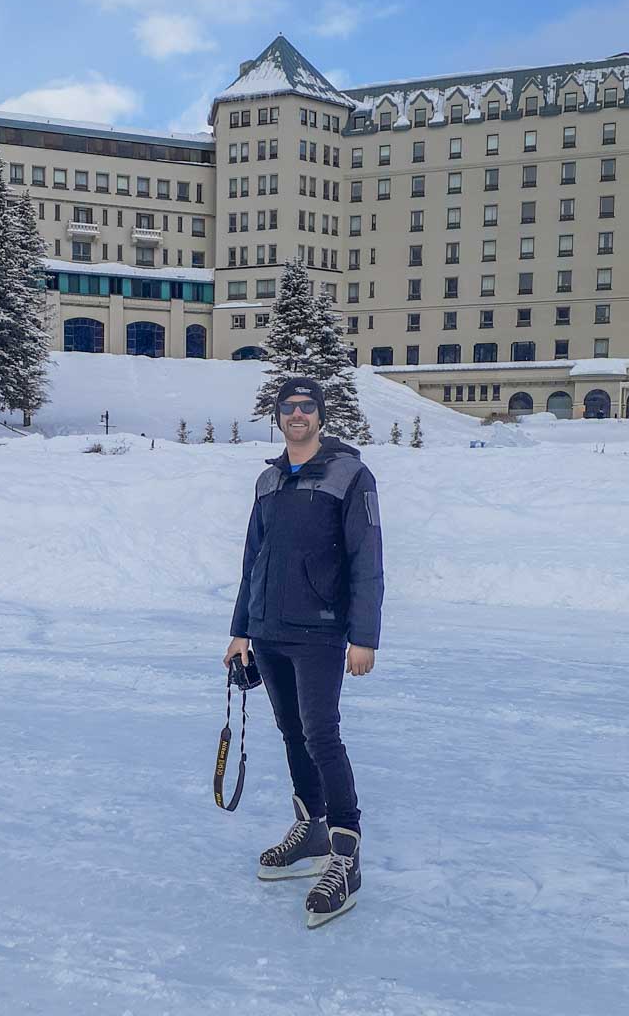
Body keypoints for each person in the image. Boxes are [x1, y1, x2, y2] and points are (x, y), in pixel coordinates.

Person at [224, 377, 384, 928]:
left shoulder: (350, 475)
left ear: (320, 415)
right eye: (288, 408)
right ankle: (312, 827)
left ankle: (345, 852)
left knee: (322, 734)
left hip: (321, 631)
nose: (297, 415)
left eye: (307, 407)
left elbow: (367, 561)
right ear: (277, 415)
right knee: (292, 734)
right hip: (268, 630)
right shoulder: (268, 479)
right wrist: (241, 629)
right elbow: (254, 559)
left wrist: (364, 636)